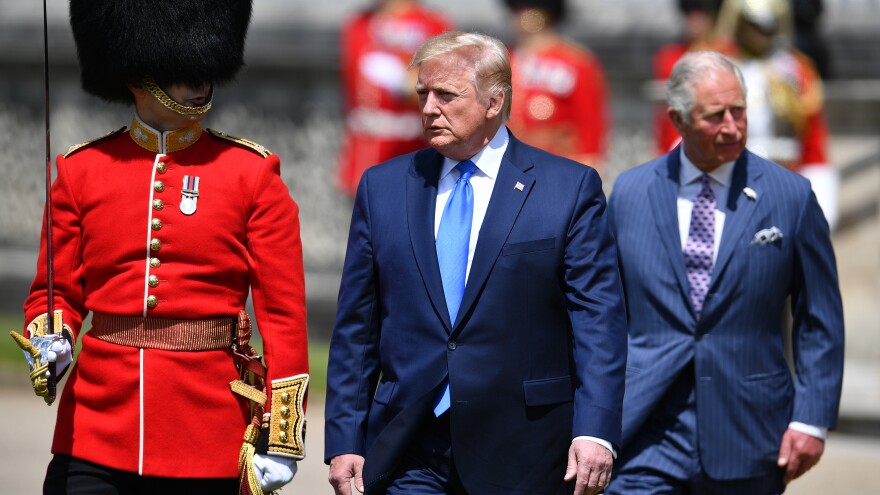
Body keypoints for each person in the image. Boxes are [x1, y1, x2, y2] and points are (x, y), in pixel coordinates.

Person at [13, 1, 309, 493]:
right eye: (180, 74)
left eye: (202, 72)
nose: (198, 84)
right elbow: (57, 290)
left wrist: (281, 436)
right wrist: (54, 336)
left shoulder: (251, 173)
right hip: (94, 427)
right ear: (137, 77)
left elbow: (283, 316)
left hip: (207, 429)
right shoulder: (80, 170)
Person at [325, 31, 627, 495]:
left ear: (494, 102)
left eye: (446, 95)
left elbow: (597, 323)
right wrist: (345, 438)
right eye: (423, 94)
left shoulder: (568, 189)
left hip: (525, 449)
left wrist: (595, 430)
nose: (428, 109)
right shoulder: (383, 187)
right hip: (409, 446)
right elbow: (357, 328)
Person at [606, 51, 844, 494]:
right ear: (677, 119)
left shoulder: (790, 196)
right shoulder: (631, 192)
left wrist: (812, 418)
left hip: (750, 431)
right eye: (716, 116)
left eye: (740, 111)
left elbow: (819, 319)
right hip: (645, 430)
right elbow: (603, 312)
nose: (733, 127)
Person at [718, 0, 838, 229]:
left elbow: (812, 133)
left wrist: (818, 181)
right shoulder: (720, 66)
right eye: (756, 24)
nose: (763, 32)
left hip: (786, 174)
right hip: (729, 176)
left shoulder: (796, 68)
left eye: (769, 25)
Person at [336, 0, 454, 197]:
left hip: (412, 146)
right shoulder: (358, 24)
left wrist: (406, 83)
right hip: (365, 148)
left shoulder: (433, 24)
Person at [504, 0, 610, 174]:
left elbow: (589, 123)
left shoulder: (577, 61)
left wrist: (589, 167)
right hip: (509, 162)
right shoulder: (503, 58)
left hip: (557, 164)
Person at [653, 0, 735, 155]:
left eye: (700, 15)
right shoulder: (669, 57)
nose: (694, 22)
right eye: (690, 14)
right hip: (675, 146)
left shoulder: (729, 53)